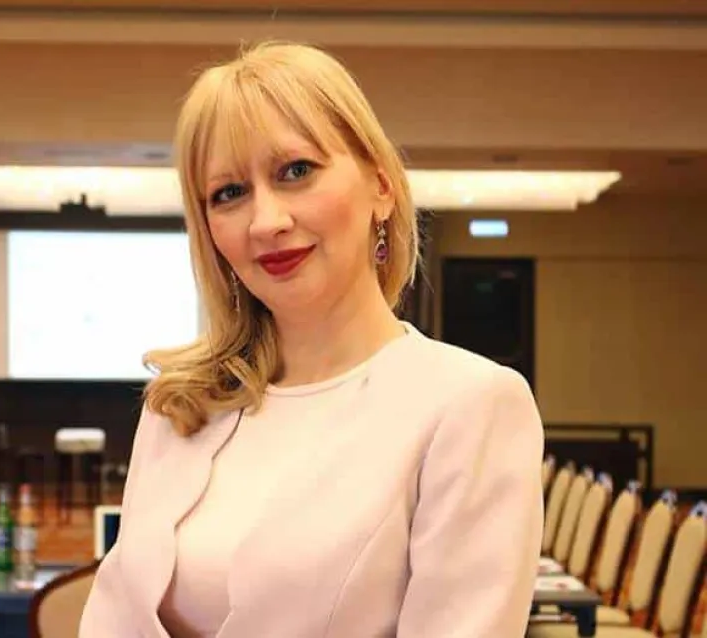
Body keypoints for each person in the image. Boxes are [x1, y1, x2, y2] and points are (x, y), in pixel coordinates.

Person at [79, 41, 544, 638]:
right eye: (229, 193)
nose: (266, 221)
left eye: (295, 171)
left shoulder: (471, 404)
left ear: (381, 186)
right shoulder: (182, 404)